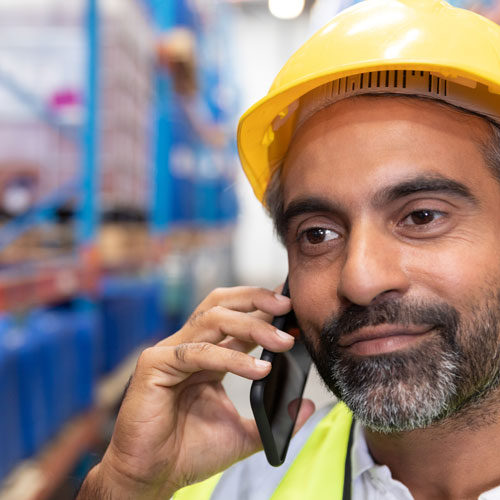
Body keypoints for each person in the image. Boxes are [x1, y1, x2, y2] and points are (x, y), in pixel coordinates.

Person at [78, 0, 500, 498]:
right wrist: (123, 485)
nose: (359, 280)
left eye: (422, 217)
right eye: (318, 234)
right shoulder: (218, 488)